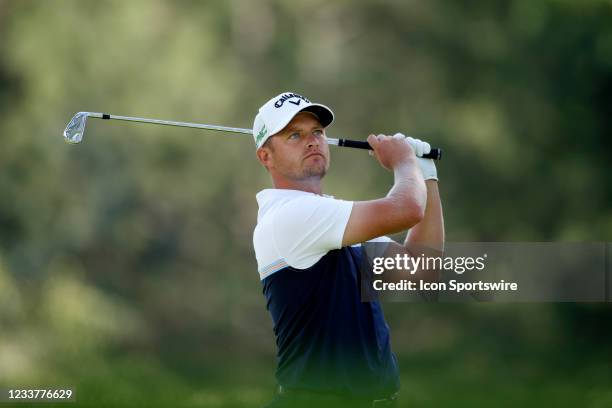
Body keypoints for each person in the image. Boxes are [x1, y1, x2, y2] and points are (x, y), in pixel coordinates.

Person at [252, 91, 445, 408]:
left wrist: (426, 174)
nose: (312, 141)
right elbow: (407, 208)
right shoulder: (288, 216)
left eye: (317, 132)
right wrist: (404, 161)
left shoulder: (333, 219)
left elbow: (420, 271)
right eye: (294, 135)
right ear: (266, 157)